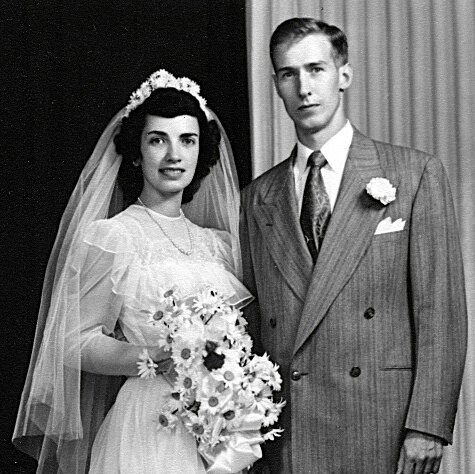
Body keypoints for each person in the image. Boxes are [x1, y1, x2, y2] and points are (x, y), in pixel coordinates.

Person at [240, 18, 467, 474]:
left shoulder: (413, 174)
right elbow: (257, 323)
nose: (304, 88)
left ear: (343, 75)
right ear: (276, 85)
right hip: (292, 431)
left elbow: (439, 309)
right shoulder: (256, 198)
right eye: (288, 74)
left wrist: (427, 426)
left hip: (383, 425)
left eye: (316, 69)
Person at [13, 70, 253, 473]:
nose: (174, 155)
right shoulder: (113, 237)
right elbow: (75, 341)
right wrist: (153, 356)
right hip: (148, 425)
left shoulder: (219, 245)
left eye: (187, 140)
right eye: (158, 140)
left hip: (217, 422)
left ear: (202, 151)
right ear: (137, 152)